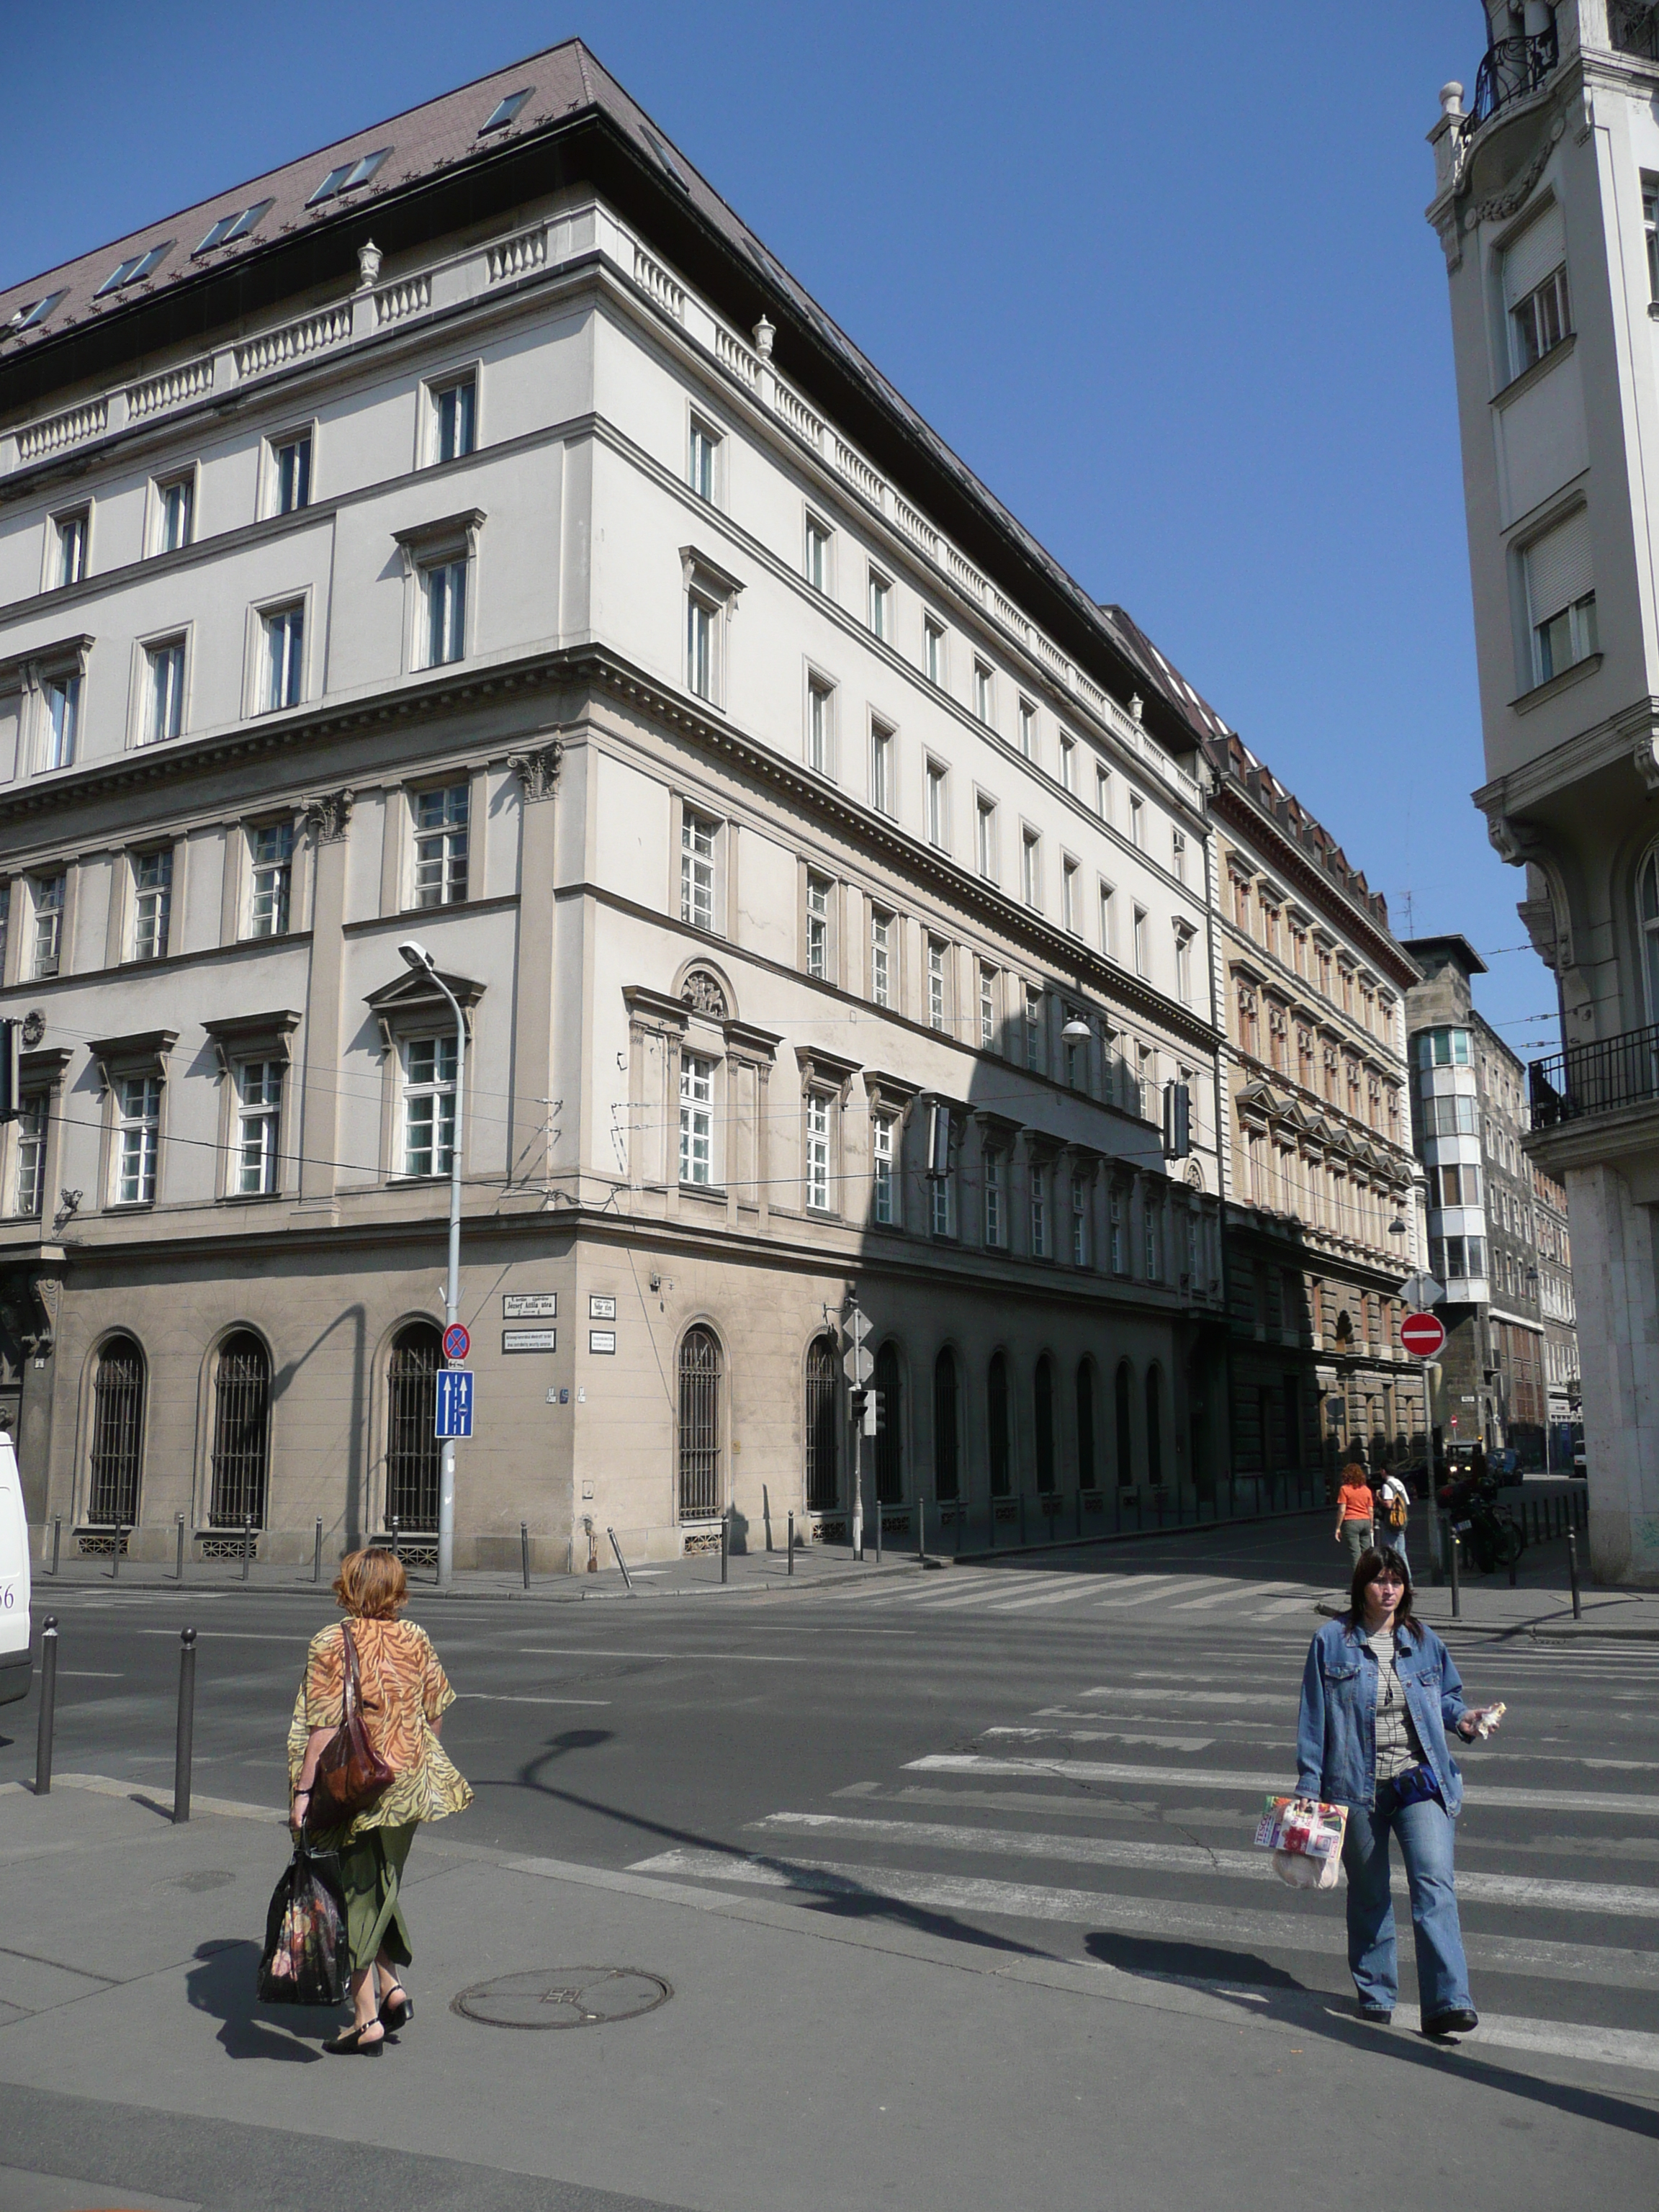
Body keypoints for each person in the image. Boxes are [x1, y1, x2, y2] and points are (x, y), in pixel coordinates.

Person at [1295, 1545, 1501, 2037]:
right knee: (1369, 1895)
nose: (1388, 1590)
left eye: (1396, 1581)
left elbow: (1447, 1698)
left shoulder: (1423, 1640)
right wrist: (1308, 1785)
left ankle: (1448, 2002)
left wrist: (1465, 1719)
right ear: (1361, 1585)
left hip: (1418, 1779)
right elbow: (1313, 1719)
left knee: (1433, 1883)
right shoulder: (1331, 1642)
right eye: (1379, 1580)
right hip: (1354, 1785)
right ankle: (1377, 1994)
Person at [288, 1546, 472, 2055]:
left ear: (348, 1586)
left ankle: (366, 2020)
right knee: (379, 1884)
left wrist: (304, 1792)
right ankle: (390, 1991)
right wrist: (412, 1753)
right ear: (396, 1588)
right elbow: (436, 1709)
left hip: (354, 1786)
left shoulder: (331, 1640)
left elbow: (324, 1728)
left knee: (354, 1896)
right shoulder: (414, 1637)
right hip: (406, 1786)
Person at [1333, 1458, 1374, 1568]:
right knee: (1367, 1553)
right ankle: (1369, 1578)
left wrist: (1338, 1527)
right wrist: (1371, 1525)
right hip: (1365, 1521)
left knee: (1356, 1553)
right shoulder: (1367, 1490)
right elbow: (1370, 1509)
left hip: (1351, 1522)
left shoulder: (1344, 1489)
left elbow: (1342, 1510)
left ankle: (1359, 1580)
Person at [1375, 1467, 1411, 1567]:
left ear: (1383, 1471)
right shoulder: (1398, 1483)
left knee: (1392, 1551)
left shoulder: (1387, 1485)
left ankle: (1397, 1575)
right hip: (1402, 1519)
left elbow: (1388, 1504)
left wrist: (1379, 1498)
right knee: (1401, 1552)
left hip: (1392, 1521)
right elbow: (1406, 1502)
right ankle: (1407, 1578)